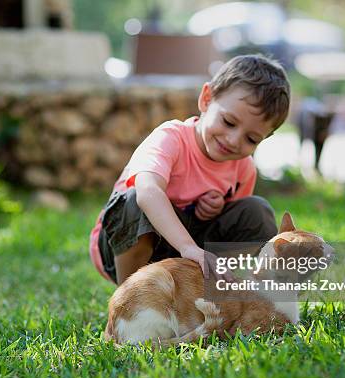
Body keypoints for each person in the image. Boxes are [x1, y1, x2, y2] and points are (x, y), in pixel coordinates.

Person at [89, 54, 291, 285]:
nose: (234, 140)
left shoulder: (243, 169)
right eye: (228, 122)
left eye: (251, 138)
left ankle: (206, 286)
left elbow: (229, 224)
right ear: (206, 99)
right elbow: (147, 191)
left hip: (190, 254)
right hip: (126, 246)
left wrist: (215, 211)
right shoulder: (171, 138)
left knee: (257, 212)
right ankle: (131, 300)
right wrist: (187, 247)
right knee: (135, 199)